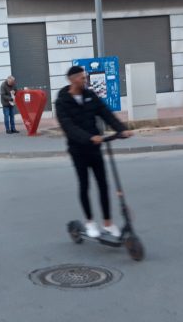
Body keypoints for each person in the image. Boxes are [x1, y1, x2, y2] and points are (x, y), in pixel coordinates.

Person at [55, 65, 132, 238]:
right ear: (72, 79)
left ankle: (108, 223)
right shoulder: (62, 102)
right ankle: (90, 222)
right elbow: (68, 127)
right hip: (78, 150)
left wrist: (122, 129)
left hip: (95, 148)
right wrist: (89, 137)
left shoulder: (90, 95)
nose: (85, 80)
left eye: (85, 77)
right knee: (85, 185)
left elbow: (106, 113)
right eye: (82, 78)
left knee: (103, 185)